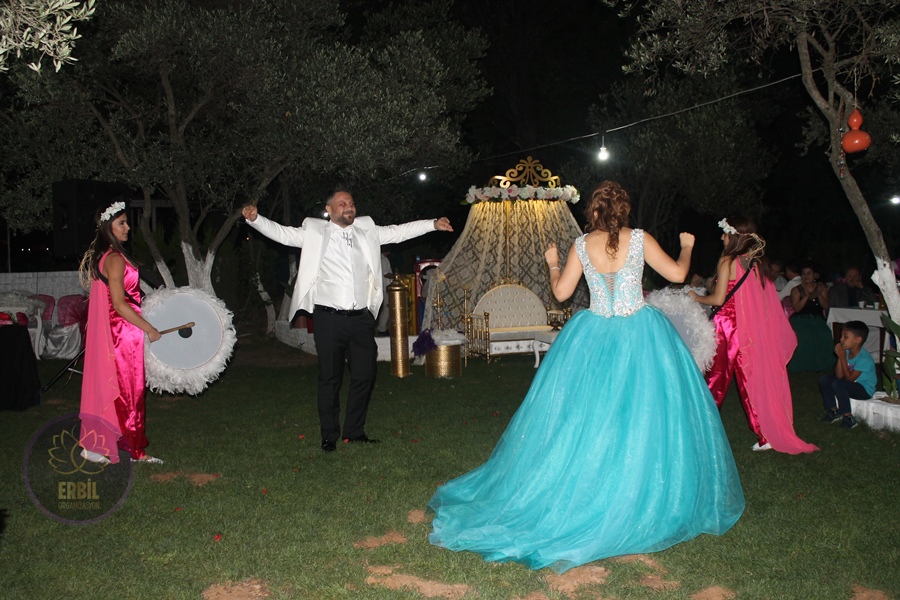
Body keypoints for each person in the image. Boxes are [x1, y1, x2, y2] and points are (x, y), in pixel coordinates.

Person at [428, 181, 744, 573]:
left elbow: (561, 293)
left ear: (593, 212)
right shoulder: (639, 239)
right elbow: (679, 273)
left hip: (593, 336)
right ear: (623, 210)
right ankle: (632, 489)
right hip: (640, 334)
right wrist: (687, 245)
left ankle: (596, 485)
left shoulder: (582, 245)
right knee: (640, 414)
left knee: (589, 417)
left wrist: (552, 262)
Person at [242, 185, 453, 452]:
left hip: (361, 320)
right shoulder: (314, 231)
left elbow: (399, 231)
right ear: (329, 210)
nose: (349, 207)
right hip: (329, 319)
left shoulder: (367, 229)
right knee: (330, 378)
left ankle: (354, 431)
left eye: (351, 203)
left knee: (365, 375)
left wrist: (432, 224)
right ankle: (329, 436)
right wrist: (256, 220)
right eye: (342, 203)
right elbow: (283, 234)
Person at [690, 218, 818, 454]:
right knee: (750, 381)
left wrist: (695, 297)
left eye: (725, 233)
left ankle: (700, 428)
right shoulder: (756, 264)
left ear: (734, 236)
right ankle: (766, 433)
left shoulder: (727, 260)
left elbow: (718, 299)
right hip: (748, 329)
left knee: (715, 378)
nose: (722, 237)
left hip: (726, 326)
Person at [78, 201, 163, 465]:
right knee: (130, 393)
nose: (127, 228)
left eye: (126, 222)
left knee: (119, 392)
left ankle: (98, 444)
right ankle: (136, 451)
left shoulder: (108, 256)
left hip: (121, 330)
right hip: (123, 333)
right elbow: (119, 304)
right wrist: (149, 328)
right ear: (108, 227)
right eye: (121, 223)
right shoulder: (114, 259)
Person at [818, 321, 876, 430]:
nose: (841, 340)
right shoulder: (847, 352)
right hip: (850, 385)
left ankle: (848, 417)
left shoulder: (864, 358)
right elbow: (839, 376)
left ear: (858, 340)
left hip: (864, 389)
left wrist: (843, 358)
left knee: (839, 384)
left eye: (845, 337)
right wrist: (840, 357)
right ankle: (833, 410)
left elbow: (849, 379)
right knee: (825, 379)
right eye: (841, 336)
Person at [788, 263, 834, 372]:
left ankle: (821, 365)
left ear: (815, 275)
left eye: (809, 273)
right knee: (804, 336)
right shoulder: (796, 290)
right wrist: (806, 296)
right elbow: (797, 308)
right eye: (804, 273)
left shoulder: (821, 288)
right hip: (800, 319)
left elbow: (825, 306)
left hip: (816, 318)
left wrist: (818, 293)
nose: (806, 276)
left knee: (825, 334)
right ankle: (802, 365)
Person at [376, 250, 392, 335]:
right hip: (385, 286)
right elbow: (385, 274)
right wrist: (397, 276)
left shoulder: (385, 258)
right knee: (387, 308)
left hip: (387, 286)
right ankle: (382, 328)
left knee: (387, 308)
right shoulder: (382, 259)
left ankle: (382, 327)